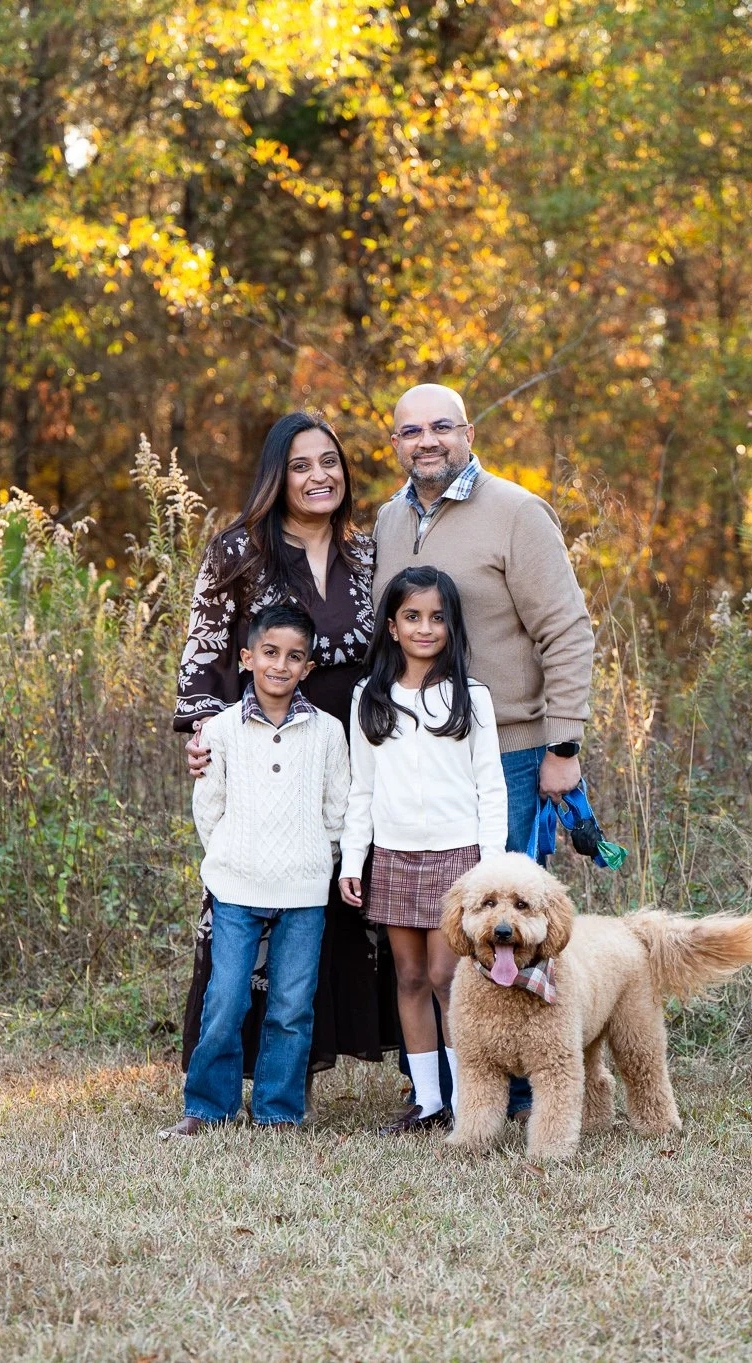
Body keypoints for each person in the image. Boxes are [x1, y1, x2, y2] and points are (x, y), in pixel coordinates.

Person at [373, 383, 595, 1114]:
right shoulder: (389, 517)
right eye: (411, 430)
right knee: (446, 935)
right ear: (395, 442)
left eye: (441, 426)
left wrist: (562, 744)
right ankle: (448, 1087)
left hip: (510, 755)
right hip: (418, 759)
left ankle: (528, 1087)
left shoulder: (517, 512)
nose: (426, 440)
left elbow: (566, 631)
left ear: (468, 431)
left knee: (510, 926)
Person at [174, 413, 387, 1082]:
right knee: (248, 915)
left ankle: (306, 1071)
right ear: (277, 474)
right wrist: (207, 731)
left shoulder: (369, 553)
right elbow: (205, 647)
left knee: (339, 900)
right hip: (266, 755)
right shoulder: (238, 551)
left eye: (330, 461)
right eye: (301, 464)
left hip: (349, 755)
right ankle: (222, 1075)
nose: (320, 475)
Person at [162, 604, 350, 1138]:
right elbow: (208, 805)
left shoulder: (328, 733)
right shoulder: (220, 730)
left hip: (305, 889)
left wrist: (319, 857)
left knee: (291, 1004)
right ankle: (207, 1107)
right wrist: (225, 859)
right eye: (269, 653)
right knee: (226, 997)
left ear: (308, 668)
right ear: (247, 658)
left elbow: (337, 810)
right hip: (235, 883)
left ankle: (277, 1110)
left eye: (294, 657)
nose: (280, 666)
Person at [339, 567, 507, 1134]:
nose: (425, 628)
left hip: (459, 859)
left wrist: (492, 868)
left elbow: (492, 786)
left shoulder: (471, 697)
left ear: (452, 626)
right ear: (391, 625)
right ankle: (428, 1100)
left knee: (446, 976)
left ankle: (468, 1100)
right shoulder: (371, 696)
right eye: (412, 616)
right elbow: (361, 787)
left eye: (437, 618)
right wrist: (353, 858)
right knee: (408, 977)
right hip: (394, 854)